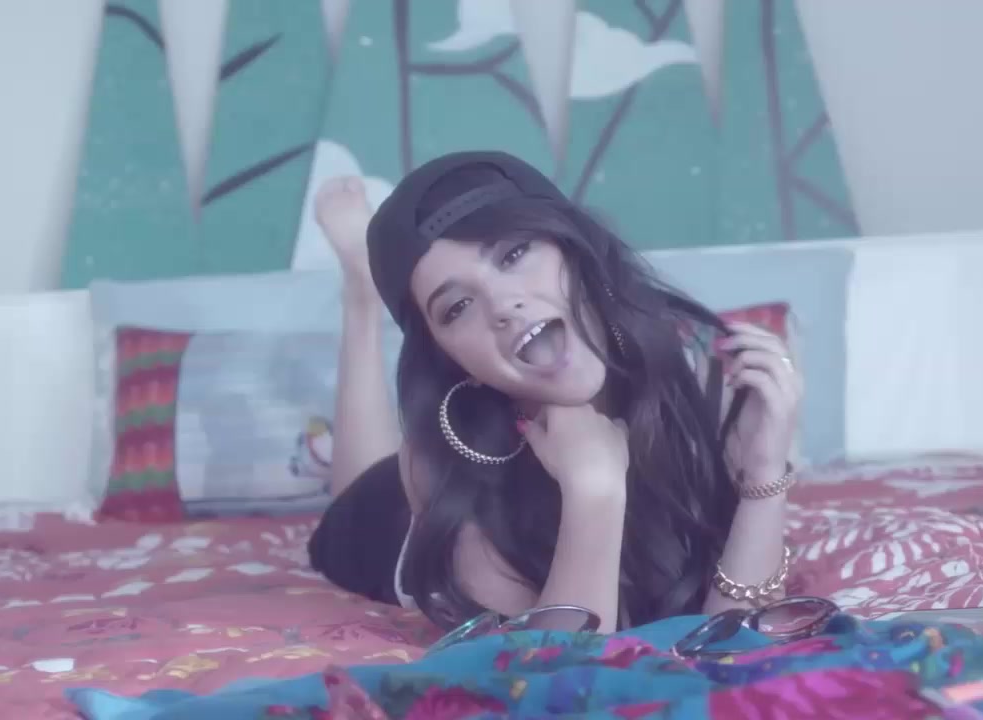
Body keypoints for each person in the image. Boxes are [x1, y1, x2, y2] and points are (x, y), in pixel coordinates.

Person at [307, 151, 802, 632]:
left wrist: (764, 477)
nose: (502, 305)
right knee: (356, 485)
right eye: (457, 307)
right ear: (450, 358)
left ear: (576, 250)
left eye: (513, 254)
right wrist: (594, 492)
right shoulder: (442, 471)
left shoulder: (701, 377)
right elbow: (561, 669)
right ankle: (361, 298)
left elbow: (733, 640)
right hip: (379, 525)